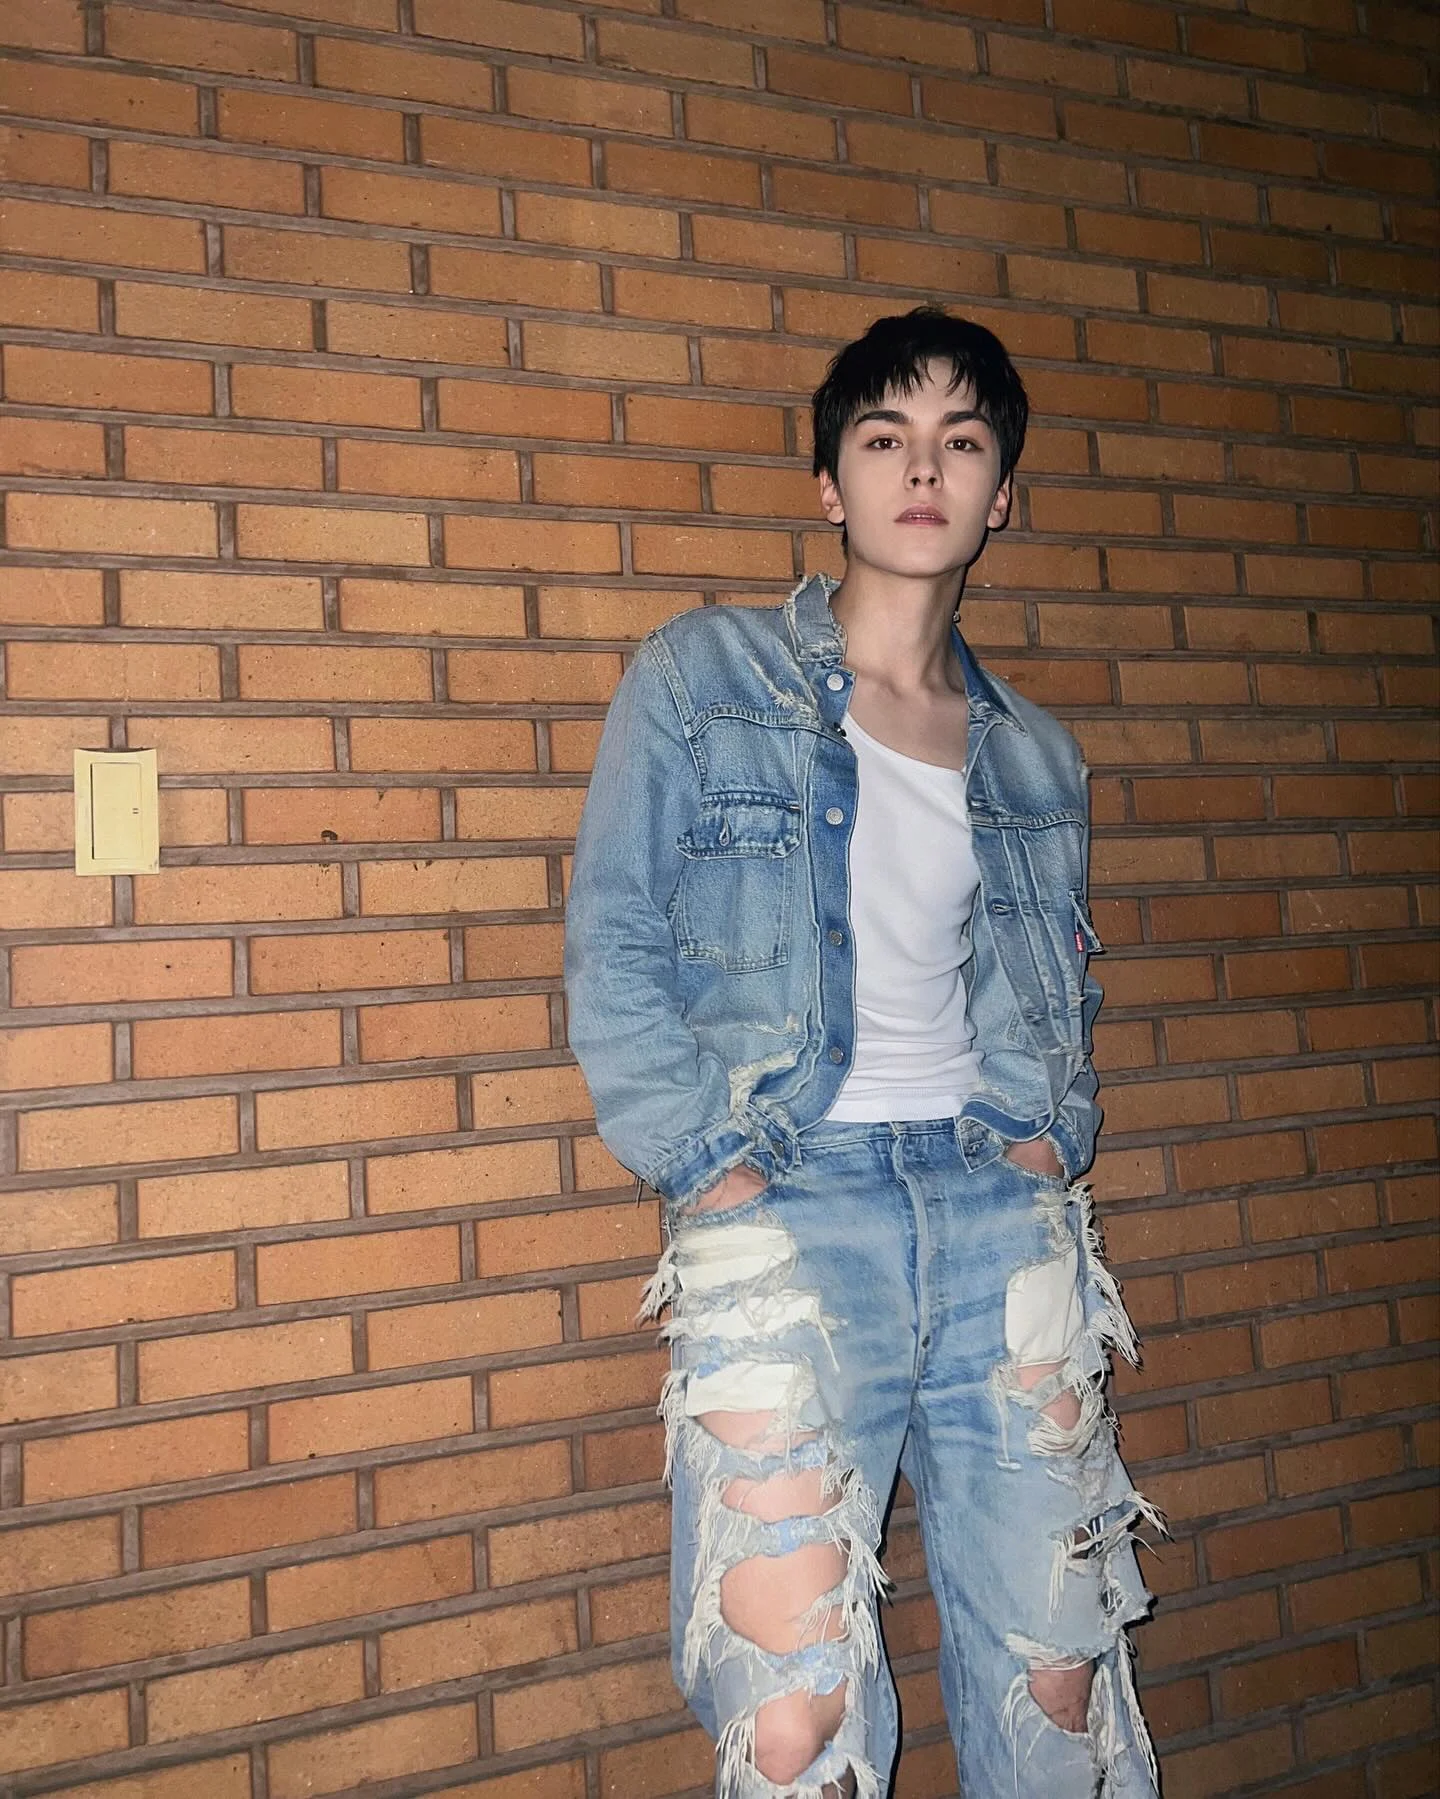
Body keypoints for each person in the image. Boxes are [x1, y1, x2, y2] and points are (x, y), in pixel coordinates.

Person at [564, 307, 1161, 1799]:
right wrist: (708, 1167)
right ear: (831, 482)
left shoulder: (1034, 754)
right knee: (794, 1725)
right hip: (784, 1210)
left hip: (996, 1216)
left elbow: (1048, 985)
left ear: (1000, 494)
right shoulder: (702, 680)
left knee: (1062, 1682)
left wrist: (1053, 1134)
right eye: (886, 437)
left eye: (963, 441)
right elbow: (614, 937)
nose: (924, 469)